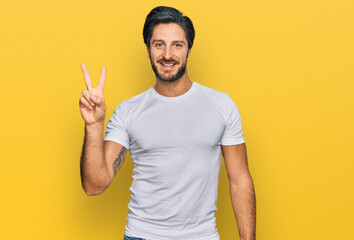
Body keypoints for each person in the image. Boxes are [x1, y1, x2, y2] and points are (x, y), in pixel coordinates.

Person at [79, 6, 256, 240]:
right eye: (159, 44)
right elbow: (94, 185)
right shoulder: (128, 111)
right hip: (142, 235)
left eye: (177, 45)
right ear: (148, 50)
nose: (167, 54)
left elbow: (240, 181)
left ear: (189, 50)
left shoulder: (221, 105)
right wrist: (93, 126)